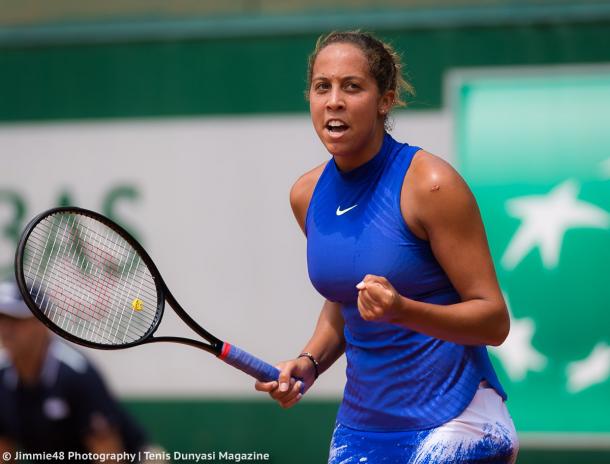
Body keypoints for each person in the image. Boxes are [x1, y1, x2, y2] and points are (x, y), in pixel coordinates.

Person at [255, 31, 519, 463]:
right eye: (323, 87)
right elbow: (347, 301)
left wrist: (403, 310)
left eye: (352, 86)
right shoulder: (306, 194)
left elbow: (493, 320)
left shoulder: (431, 185)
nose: (334, 101)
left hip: (457, 423)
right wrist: (311, 360)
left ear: (385, 100)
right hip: (362, 429)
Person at [0, 279, 149, 464]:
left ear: (43, 320)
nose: (5, 329)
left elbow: (110, 457)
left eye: (16, 319)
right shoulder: (2, 377)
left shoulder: (76, 374)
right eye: (1, 319)